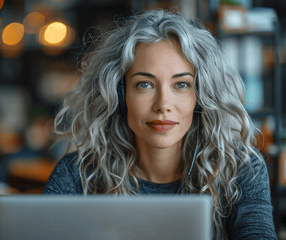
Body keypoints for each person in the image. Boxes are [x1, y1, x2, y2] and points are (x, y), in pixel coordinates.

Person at [43, 9, 277, 239]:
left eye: (181, 84)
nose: (163, 104)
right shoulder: (77, 174)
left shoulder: (241, 170)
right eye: (145, 84)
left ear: (201, 96)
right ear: (120, 95)